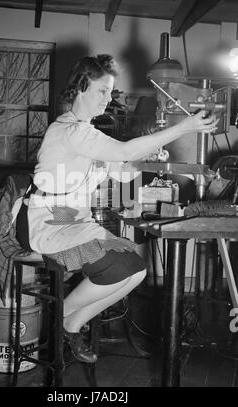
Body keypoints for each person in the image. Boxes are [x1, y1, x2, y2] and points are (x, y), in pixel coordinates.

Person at [22, 54, 218, 363]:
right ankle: (62, 314)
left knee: (136, 271)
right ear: (81, 88)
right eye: (101, 91)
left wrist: (151, 154)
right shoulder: (70, 131)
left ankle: (70, 324)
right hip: (50, 223)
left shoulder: (91, 135)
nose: (106, 99)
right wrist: (185, 127)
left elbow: (124, 171)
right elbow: (125, 150)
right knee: (121, 268)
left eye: (110, 92)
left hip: (74, 221)